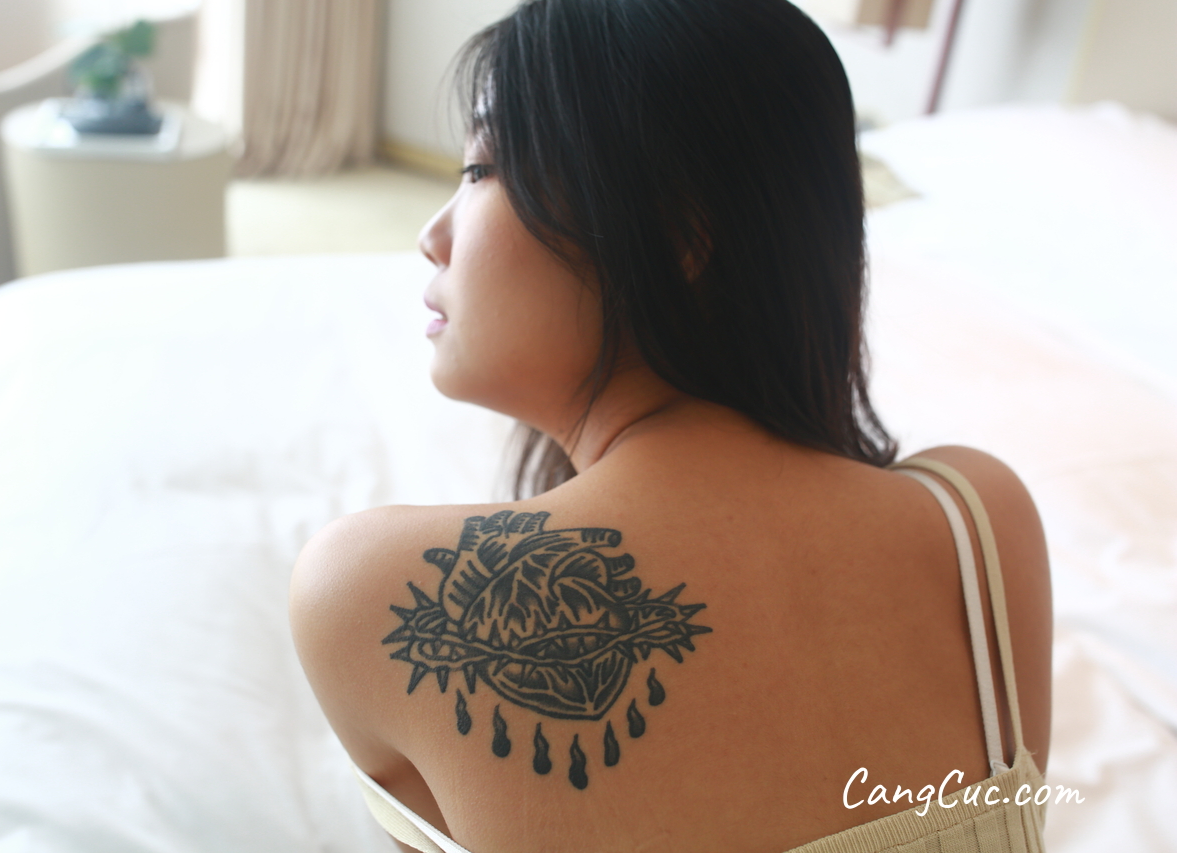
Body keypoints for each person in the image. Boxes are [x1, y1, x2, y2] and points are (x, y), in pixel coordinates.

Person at [289, 0, 1053, 851]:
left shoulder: (367, 587)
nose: (431, 235)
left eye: (480, 169)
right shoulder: (977, 525)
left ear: (676, 233)